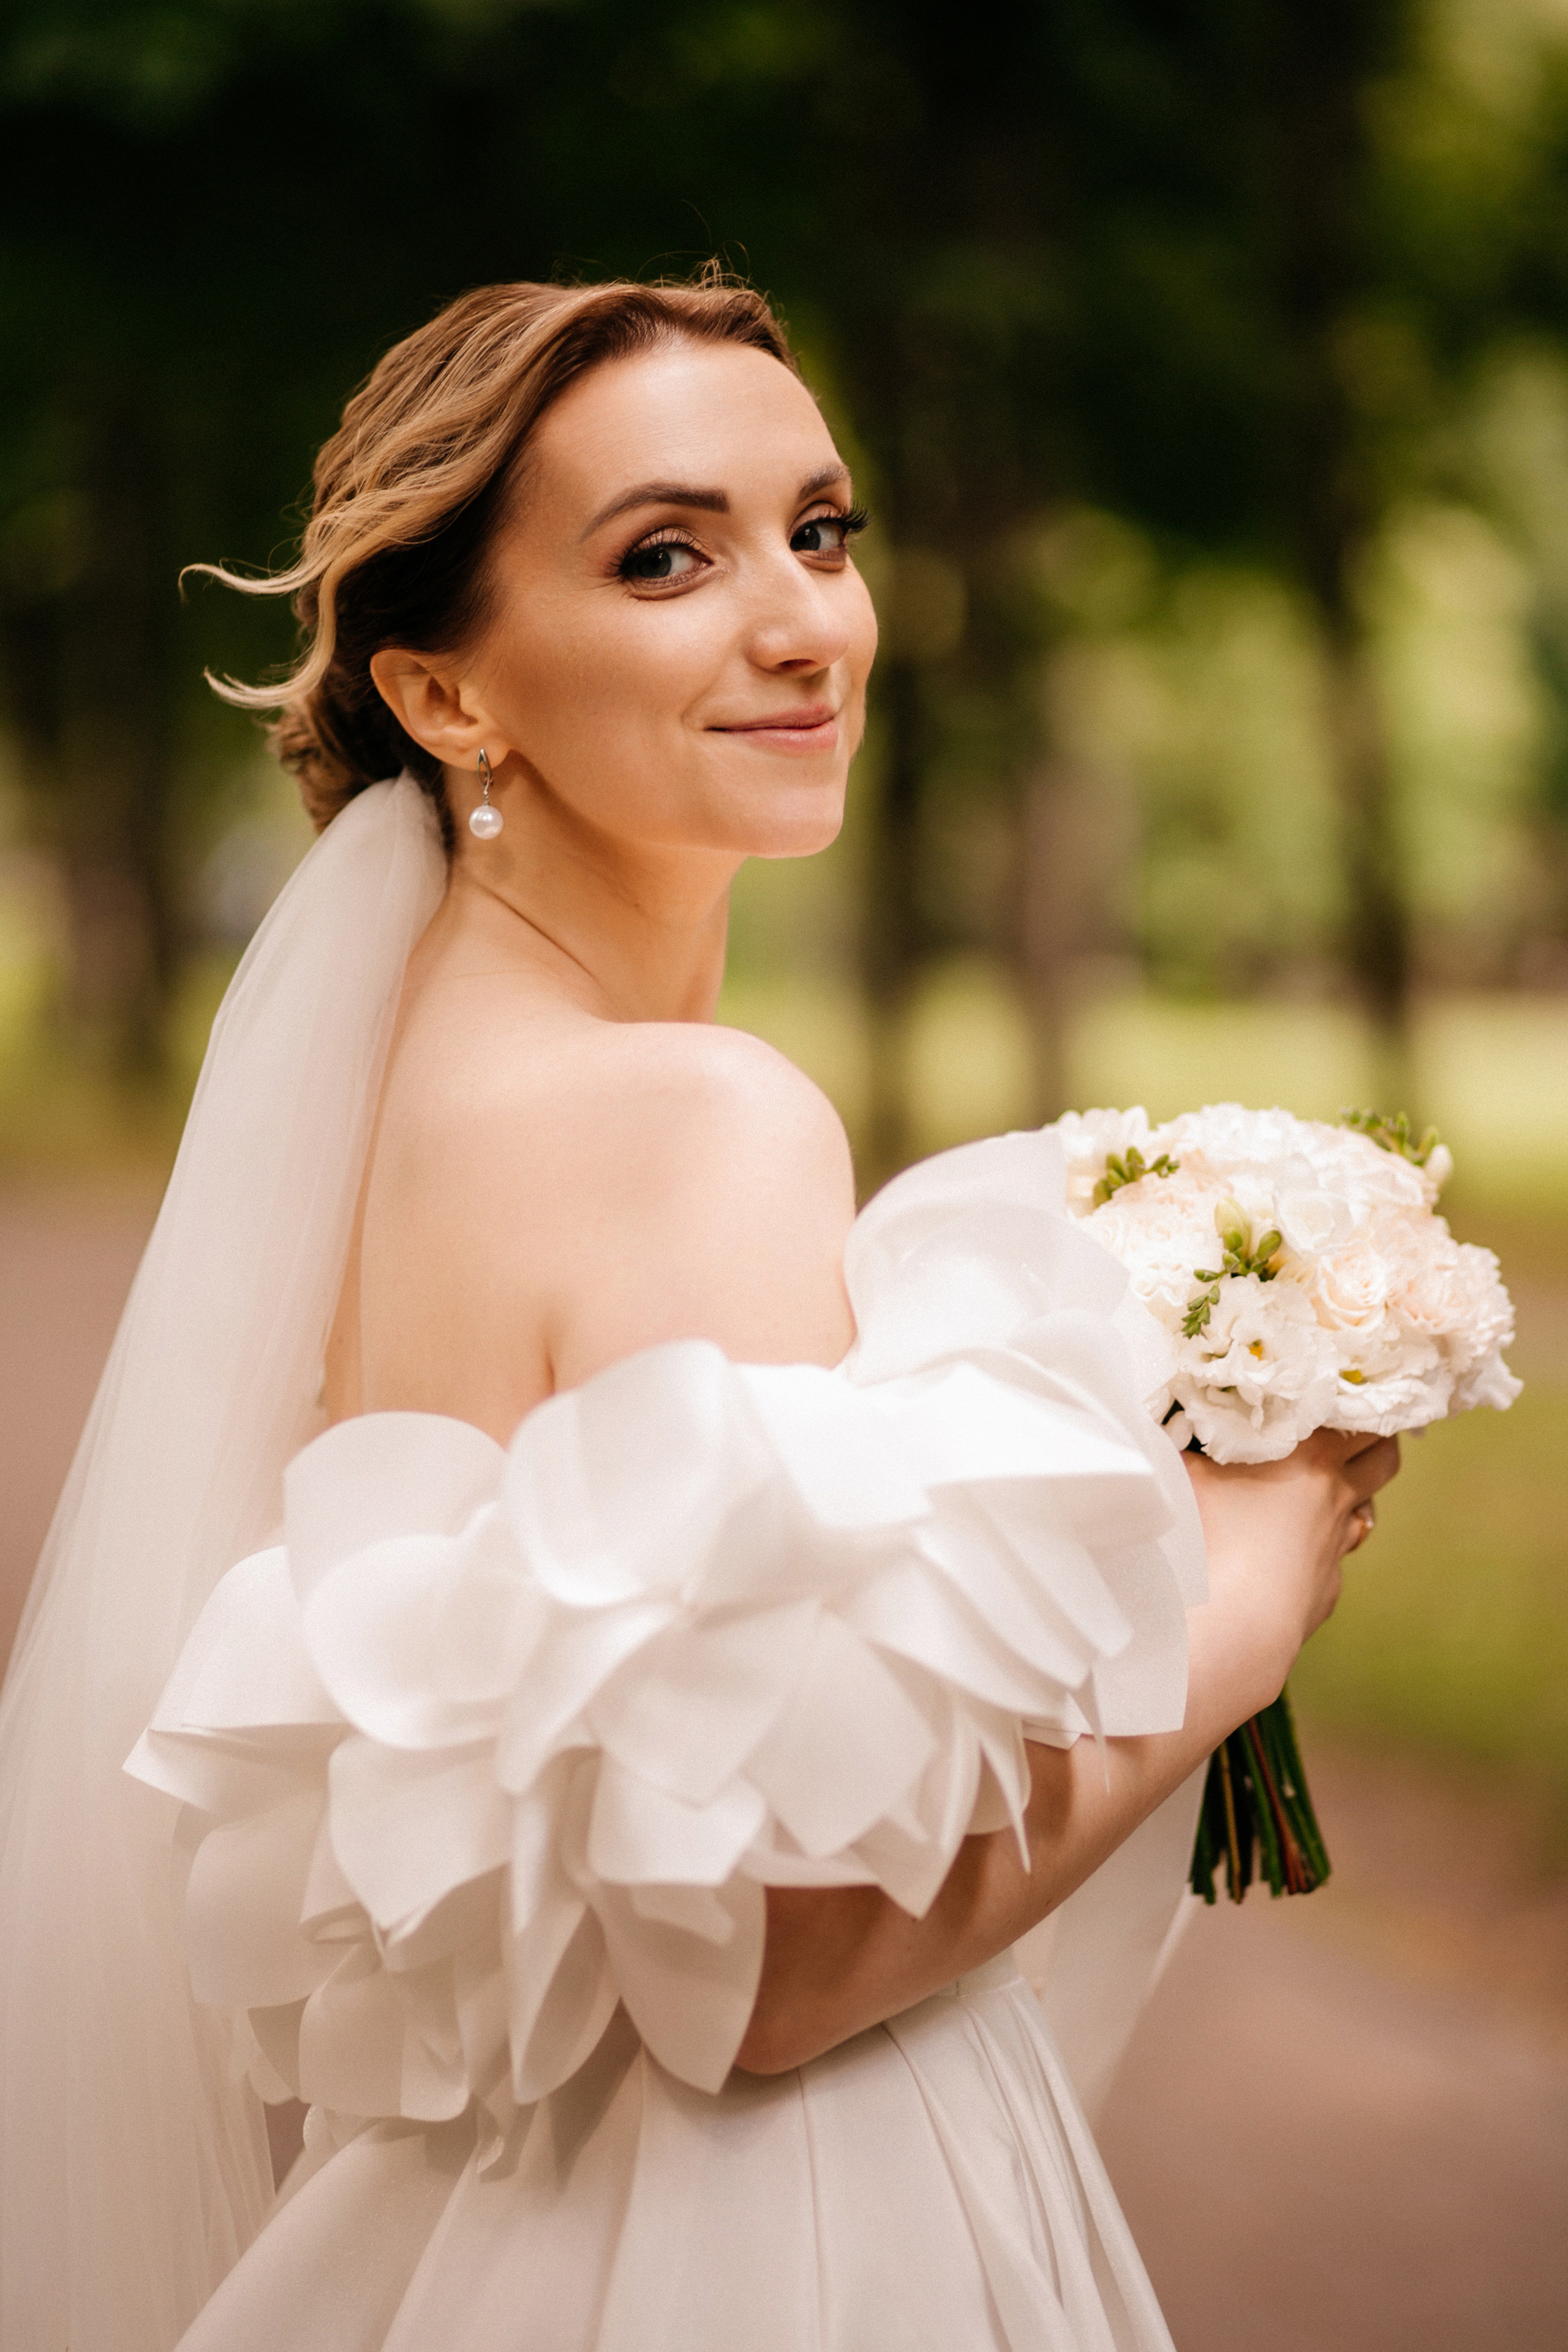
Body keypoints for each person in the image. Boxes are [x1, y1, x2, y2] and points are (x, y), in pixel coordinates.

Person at [0, 273, 1398, 2352]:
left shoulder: (393, 1092)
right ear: (446, 693)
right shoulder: (689, 1123)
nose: (805, 623)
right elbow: (784, 1959)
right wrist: (1250, 1592)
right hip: (771, 2239)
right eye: (667, 557)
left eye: (820, 532)